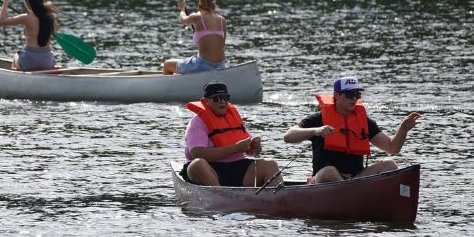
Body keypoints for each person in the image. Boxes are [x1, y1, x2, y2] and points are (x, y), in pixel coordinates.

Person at [283, 76, 422, 184]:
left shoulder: (365, 122)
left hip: (356, 180)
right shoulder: (318, 120)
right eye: (349, 94)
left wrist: (403, 129)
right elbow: (288, 136)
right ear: (337, 95)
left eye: (357, 95)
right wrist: (316, 131)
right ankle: (351, 199)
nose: (354, 98)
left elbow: (392, 148)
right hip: (324, 180)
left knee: (390, 164)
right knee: (329, 171)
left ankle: (364, 200)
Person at [181, 81, 283, 188]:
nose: (222, 102)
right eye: (217, 98)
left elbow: (252, 153)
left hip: (238, 168)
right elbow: (197, 154)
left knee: (271, 164)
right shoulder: (197, 123)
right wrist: (235, 148)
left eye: (225, 97)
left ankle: (276, 199)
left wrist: (256, 147)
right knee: (196, 165)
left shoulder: (233, 119)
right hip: (210, 170)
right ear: (206, 101)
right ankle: (221, 198)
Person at [163, 0, 227, 75]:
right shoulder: (222, 20)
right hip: (221, 65)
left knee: (167, 64)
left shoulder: (196, 17)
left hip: (202, 65)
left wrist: (182, 8)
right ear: (213, 5)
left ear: (200, 4)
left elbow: (183, 20)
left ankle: (169, 88)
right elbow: (222, 45)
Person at [0, 0, 59, 71]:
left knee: (16, 56)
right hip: (47, 60)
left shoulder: (26, 17)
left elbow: (1, 21)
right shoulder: (49, 17)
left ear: (28, 2)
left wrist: (6, 3)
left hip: (30, 59)